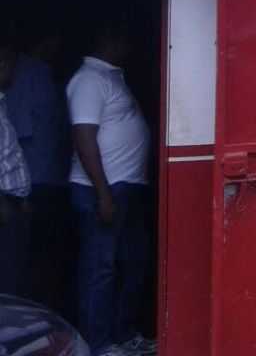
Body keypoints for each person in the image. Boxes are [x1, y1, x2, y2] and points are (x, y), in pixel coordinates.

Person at [67, 24, 155, 356]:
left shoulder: (110, 77)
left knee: (134, 259)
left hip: (125, 186)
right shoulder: (89, 79)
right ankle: (97, 343)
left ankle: (123, 334)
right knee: (99, 268)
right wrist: (103, 193)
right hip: (102, 189)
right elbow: (83, 137)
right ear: (113, 43)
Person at [4, 26, 73, 313]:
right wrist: (17, 196)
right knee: (27, 263)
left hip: (45, 181)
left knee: (48, 255)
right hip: (35, 182)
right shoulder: (27, 76)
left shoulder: (40, 73)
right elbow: (16, 138)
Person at [0, 39, 33, 299]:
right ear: (3, 65)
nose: (17, 73)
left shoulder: (3, 104)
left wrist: (21, 200)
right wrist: (5, 208)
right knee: (7, 288)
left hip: (12, 204)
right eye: (15, 66)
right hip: (3, 209)